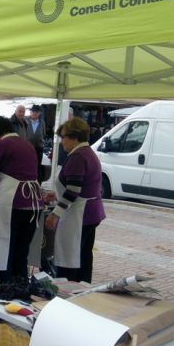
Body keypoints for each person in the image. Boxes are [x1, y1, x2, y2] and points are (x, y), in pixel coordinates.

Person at [0, 116, 43, 290]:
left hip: (14, 203)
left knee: (5, 248)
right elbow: (22, 172)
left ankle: (4, 293)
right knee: (21, 252)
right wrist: (0, 186)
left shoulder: (0, 145)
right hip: (34, 203)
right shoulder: (27, 144)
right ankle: (21, 290)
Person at [45, 117, 106, 283]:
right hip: (90, 212)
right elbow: (78, 185)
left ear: (74, 137)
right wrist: (57, 195)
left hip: (80, 214)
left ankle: (67, 291)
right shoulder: (87, 153)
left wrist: (55, 213)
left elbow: (73, 190)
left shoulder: (78, 156)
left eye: (63, 137)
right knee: (84, 255)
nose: (62, 141)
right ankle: (82, 290)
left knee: (71, 257)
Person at [26, 105, 46, 182]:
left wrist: (41, 141)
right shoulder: (25, 120)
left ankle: (37, 182)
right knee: (27, 164)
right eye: (33, 112)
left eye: (36, 112)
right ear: (30, 112)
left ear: (39, 113)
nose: (34, 113)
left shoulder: (42, 122)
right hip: (27, 147)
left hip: (38, 147)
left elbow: (43, 133)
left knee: (37, 166)